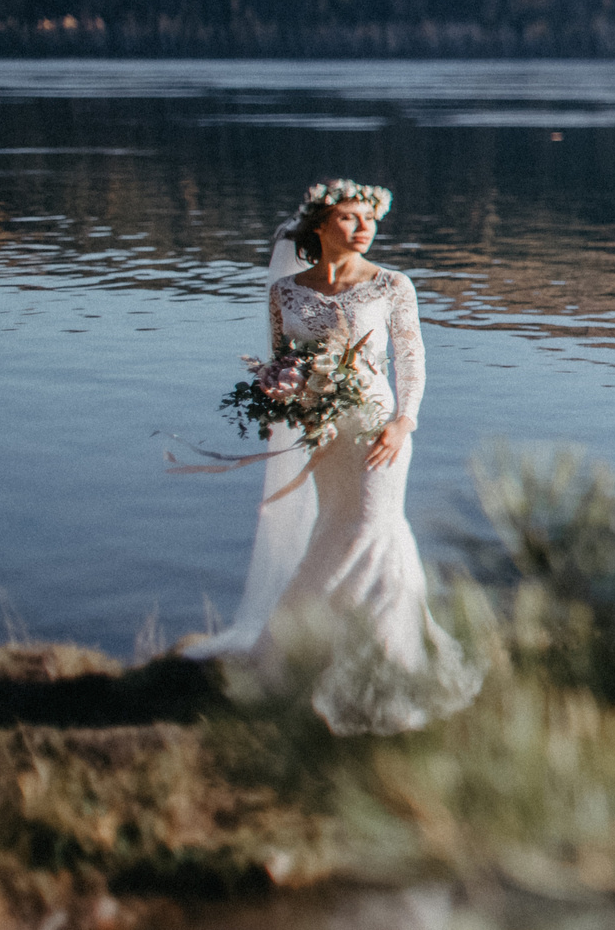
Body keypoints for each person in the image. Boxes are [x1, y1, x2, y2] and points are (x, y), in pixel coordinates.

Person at [185, 179, 482, 734]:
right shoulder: (286, 293)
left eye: (369, 218)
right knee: (334, 527)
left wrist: (403, 422)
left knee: (374, 526)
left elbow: (411, 363)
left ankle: (391, 666)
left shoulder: (392, 285)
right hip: (324, 433)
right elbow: (281, 362)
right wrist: (284, 395)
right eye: (350, 217)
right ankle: (307, 658)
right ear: (320, 226)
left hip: (377, 431)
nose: (363, 227)